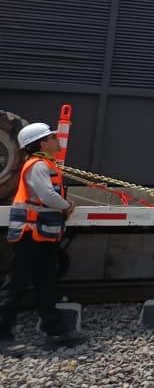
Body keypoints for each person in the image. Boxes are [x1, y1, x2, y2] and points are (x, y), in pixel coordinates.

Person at [1, 122, 83, 355]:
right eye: (52, 138)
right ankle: (2, 336)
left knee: (46, 283)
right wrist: (66, 206)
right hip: (30, 234)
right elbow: (47, 195)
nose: (56, 141)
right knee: (15, 285)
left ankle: (55, 332)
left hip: (42, 233)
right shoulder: (37, 165)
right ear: (42, 143)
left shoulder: (44, 164)